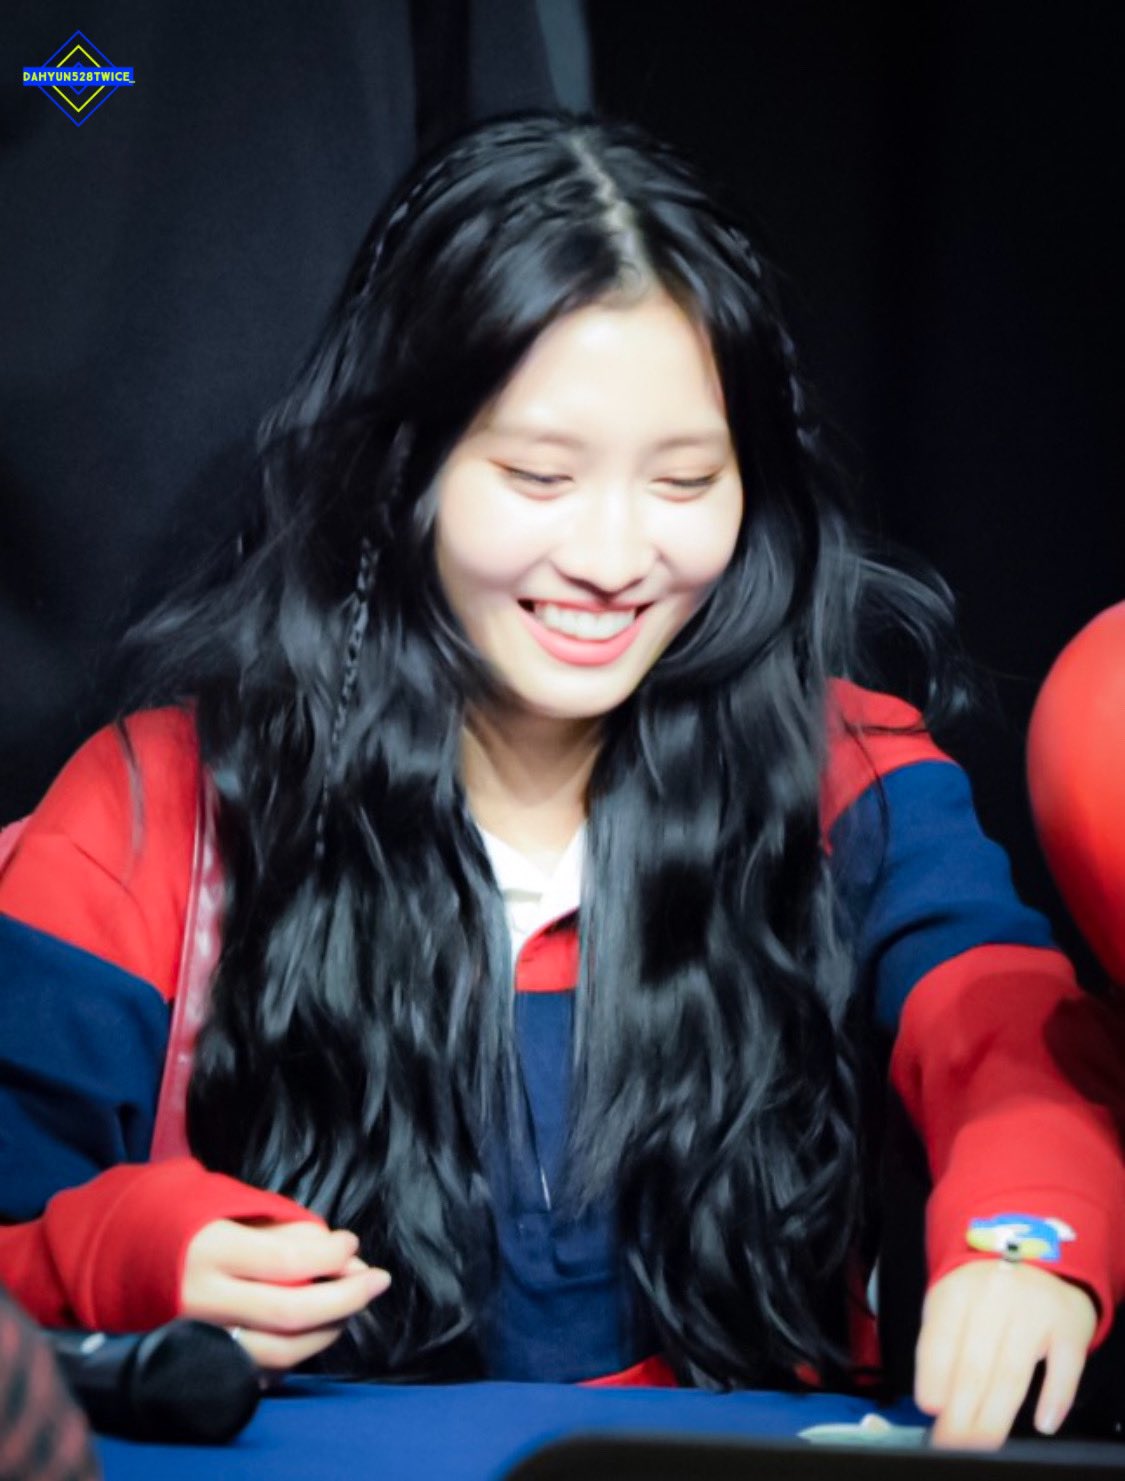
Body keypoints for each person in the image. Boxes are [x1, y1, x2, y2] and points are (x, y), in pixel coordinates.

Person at [0, 114, 1122, 1450]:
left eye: (685, 481)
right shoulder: (157, 810)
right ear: (400, 469)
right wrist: (116, 1247)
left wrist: (1023, 1243)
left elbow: (1003, 1027)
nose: (612, 555)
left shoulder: (851, 779)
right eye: (539, 475)